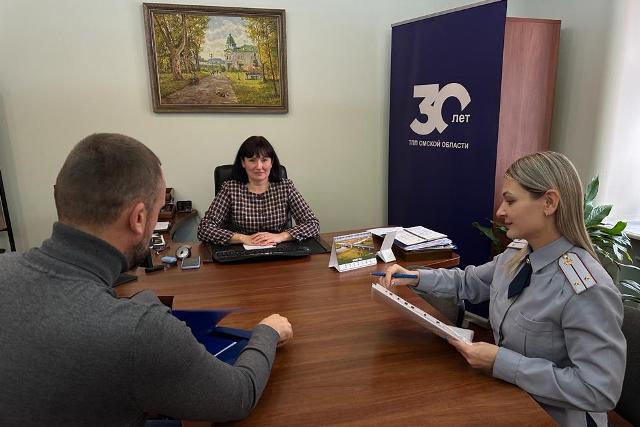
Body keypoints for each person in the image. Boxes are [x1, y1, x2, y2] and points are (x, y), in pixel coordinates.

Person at [0, 133, 293, 426]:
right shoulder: (143, 331)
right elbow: (237, 397)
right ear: (139, 219)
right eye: (158, 209)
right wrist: (266, 332)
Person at [380, 151, 626, 427]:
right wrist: (414, 277)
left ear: (549, 202)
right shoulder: (517, 254)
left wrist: (502, 362)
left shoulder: (586, 288)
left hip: (554, 416)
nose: (499, 211)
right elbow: (468, 282)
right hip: (510, 395)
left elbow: (598, 390)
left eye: (510, 201)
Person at [198, 136, 320, 246]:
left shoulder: (285, 187)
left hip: (280, 251)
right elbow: (204, 228)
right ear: (243, 162)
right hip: (240, 253)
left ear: (271, 162)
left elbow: (312, 224)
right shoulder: (230, 189)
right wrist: (242, 238)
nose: (259, 166)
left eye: (264, 160)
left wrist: (281, 236)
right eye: (252, 160)